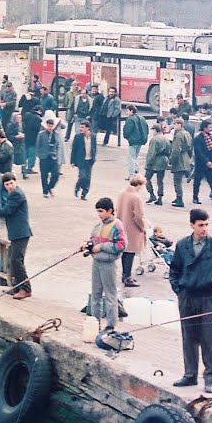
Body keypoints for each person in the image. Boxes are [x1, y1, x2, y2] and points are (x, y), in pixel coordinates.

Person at [169, 208, 212, 393]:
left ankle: (210, 377)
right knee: (188, 337)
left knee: (208, 338)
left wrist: (211, 281)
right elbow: (174, 269)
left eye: (206, 224)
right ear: (192, 225)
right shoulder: (182, 246)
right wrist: (179, 288)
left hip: (207, 298)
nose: (204, 228)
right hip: (187, 297)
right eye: (200, 225)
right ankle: (190, 375)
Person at [0, 173, 32, 299]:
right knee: (13, 260)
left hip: (21, 233)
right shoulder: (12, 194)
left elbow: (6, 211)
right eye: (7, 184)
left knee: (17, 261)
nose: (9, 186)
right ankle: (16, 287)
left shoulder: (16, 194)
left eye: (11, 183)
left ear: (15, 182)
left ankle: (26, 289)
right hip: (16, 232)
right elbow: (7, 211)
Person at [82, 197, 125, 332]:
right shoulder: (97, 226)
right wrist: (87, 245)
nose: (99, 214)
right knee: (96, 295)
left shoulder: (117, 225)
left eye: (101, 211)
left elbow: (121, 245)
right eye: (98, 211)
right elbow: (93, 242)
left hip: (108, 265)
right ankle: (95, 323)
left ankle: (111, 325)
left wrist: (101, 247)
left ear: (110, 211)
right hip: (96, 263)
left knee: (110, 296)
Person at [117, 175, 147, 288]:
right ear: (139, 184)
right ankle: (128, 277)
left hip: (121, 225)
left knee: (124, 252)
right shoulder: (136, 197)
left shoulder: (122, 193)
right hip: (132, 228)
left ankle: (125, 275)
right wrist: (143, 227)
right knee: (130, 252)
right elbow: (138, 216)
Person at [193, 120, 212, 206]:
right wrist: (206, 161)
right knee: (197, 181)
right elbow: (198, 152)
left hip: (210, 163)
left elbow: (211, 151)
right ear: (204, 128)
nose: (211, 129)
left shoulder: (209, 137)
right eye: (209, 127)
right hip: (201, 164)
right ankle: (195, 197)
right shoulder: (198, 138)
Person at [36, 116, 64, 198]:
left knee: (55, 174)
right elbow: (38, 145)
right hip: (44, 157)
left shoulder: (57, 134)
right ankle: (45, 191)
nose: (50, 127)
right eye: (48, 126)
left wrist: (58, 155)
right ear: (46, 126)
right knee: (44, 175)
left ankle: (49, 187)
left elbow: (58, 145)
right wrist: (39, 155)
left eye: (51, 126)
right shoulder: (41, 134)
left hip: (53, 157)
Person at [70, 120, 98, 201]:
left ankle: (84, 194)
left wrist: (94, 158)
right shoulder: (77, 137)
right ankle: (77, 187)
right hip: (81, 160)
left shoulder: (93, 136)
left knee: (88, 178)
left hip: (90, 160)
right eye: (80, 127)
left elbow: (94, 148)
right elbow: (74, 149)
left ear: (87, 128)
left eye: (82, 127)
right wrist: (72, 161)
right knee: (82, 176)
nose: (80, 129)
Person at [145, 124, 171, 205]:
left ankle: (152, 194)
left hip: (155, 161)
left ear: (155, 130)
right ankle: (160, 197)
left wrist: (148, 164)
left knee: (146, 178)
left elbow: (151, 153)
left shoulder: (154, 140)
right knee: (160, 180)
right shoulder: (166, 138)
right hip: (163, 161)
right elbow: (169, 151)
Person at [122, 105, 148, 176]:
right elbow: (146, 129)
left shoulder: (130, 119)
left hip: (133, 140)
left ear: (131, 111)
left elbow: (127, 130)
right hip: (141, 140)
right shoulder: (142, 118)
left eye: (127, 110)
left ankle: (131, 174)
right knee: (136, 156)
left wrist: (126, 137)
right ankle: (136, 170)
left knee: (131, 157)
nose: (127, 112)